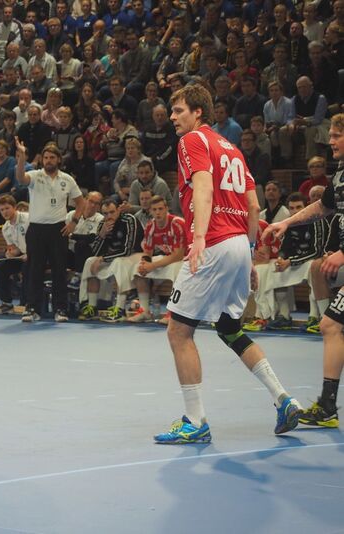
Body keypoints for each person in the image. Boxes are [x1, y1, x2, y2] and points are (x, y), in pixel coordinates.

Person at [155, 85, 303, 445]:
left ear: (198, 113)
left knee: (178, 330)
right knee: (229, 328)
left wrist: (199, 237)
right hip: (238, 243)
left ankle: (195, 421)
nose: (172, 117)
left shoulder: (192, 141)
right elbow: (253, 207)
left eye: (178, 110)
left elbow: (203, 189)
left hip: (213, 242)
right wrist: (249, 256)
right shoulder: (233, 149)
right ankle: (284, 398)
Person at [263, 113, 344, 428]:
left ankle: (327, 407)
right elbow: (323, 207)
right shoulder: (340, 174)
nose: (330, 141)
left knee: (331, 326)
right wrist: (286, 222)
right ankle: (327, 407)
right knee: (331, 325)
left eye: (336, 136)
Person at [14, 140, 86, 323]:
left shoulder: (67, 179)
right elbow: (20, 178)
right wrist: (21, 157)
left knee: (59, 270)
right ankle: (32, 308)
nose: (48, 160)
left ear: (58, 159)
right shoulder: (35, 176)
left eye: (52, 157)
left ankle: (60, 308)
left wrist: (74, 222)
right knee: (34, 270)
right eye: (45, 157)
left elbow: (81, 203)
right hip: (36, 229)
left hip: (58, 229)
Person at [244, 193, 325, 331]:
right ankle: (278, 316)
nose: (295, 211)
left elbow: (316, 251)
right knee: (269, 269)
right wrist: (281, 259)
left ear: (306, 207)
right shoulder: (289, 224)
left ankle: (315, 317)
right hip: (294, 263)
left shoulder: (317, 222)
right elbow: (284, 249)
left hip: (313, 262)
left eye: (298, 207)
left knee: (314, 267)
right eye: (291, 208)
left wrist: (290, 261)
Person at [76, 197, 143, 322]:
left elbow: (127, 250)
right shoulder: (103, 224)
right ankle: (91, 306)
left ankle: (120, 309)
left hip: (135, 257)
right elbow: (95, 252)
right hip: (114, 258)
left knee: (119, 261)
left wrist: (102, 258)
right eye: (105, 213)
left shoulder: (129, 220)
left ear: (118, 210)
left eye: (112, 212)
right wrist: (102, 235)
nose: (109, 216)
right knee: (90, 261)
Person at [129, 196, 186, 324]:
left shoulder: (177, 223)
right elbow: (148, 252)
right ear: (150, 211)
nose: (158, 212)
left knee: (177, 270)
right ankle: (144, 311)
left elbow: (179, 255)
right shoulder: (150, 226)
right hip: (170, 258)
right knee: (138, 269)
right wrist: (144, 264)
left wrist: (153, 266)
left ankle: (173, 313)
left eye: (160, 209)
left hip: (188, 259)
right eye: (154, 209)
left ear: (166, 209)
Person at [0, 194, 30, 315]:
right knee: (0, 269)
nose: (5, 212)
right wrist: (10, 253)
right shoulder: (5, 228)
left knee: (27, 267)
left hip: (37, 254)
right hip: (22, 256)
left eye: (7, 208)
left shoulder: (28, 219)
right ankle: (6, 304)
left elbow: (40, 240)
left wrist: (30, 254)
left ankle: (29, 304)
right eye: (2, 210)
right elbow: (14, 249)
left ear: (14, 207)